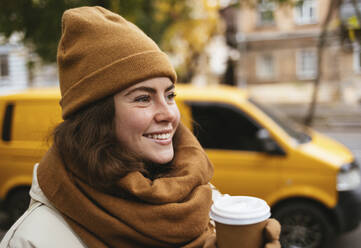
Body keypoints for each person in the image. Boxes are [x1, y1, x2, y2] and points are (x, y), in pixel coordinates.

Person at [0, 6, 280, 248]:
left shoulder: (199, 199)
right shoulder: (33, 239)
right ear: (97, 118)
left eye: (170, 95)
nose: (168, 114)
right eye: (143, 98)